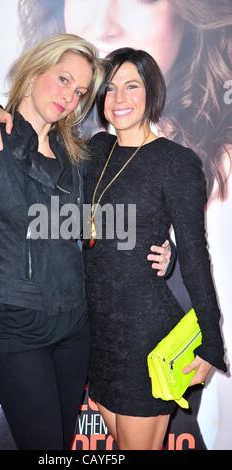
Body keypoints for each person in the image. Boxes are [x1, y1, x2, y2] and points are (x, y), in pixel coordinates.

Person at [0, 33, 171, 450]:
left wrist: (166, 244)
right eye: (63, 79)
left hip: (75, 331)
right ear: (33, 71)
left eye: (81, 90)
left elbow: (120, 203)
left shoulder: (78, 156)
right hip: (16, 332)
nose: (70, 97)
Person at [83, 47, 227, 450]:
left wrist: (211, 343)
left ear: (152, 93)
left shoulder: (175, 162)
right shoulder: (94, 152)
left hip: (144, 333)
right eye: (110, 89)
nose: (119, 99)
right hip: (99, 335)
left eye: (132, 86)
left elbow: (197, 253)